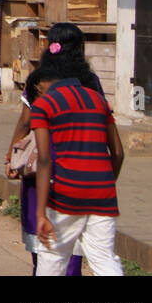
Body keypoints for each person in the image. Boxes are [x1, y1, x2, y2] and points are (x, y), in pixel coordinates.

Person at [28, 23, 124, 276]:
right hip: (103, 192)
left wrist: (40, 213)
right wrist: (103, 184)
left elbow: (45, 160)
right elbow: (118, 153)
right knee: (104, 259)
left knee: (52, 258)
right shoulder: (98, 99)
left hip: (65, 192)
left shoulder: (44, 104)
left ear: (43, 81)